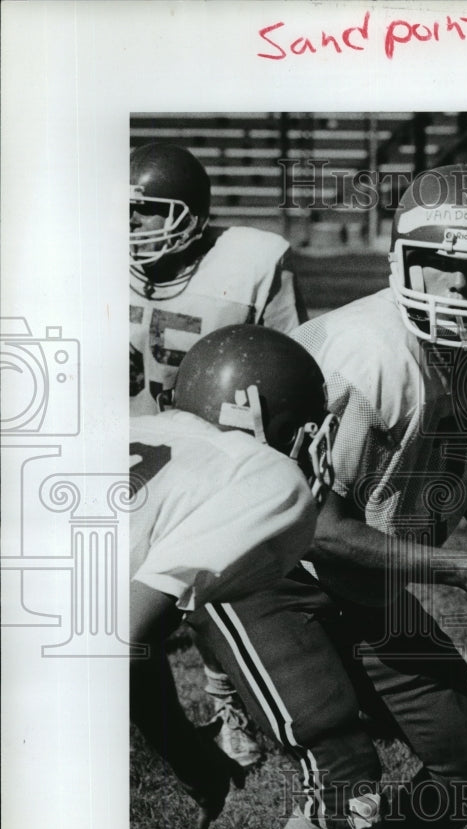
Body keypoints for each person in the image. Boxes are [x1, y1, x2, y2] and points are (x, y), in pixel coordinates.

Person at [186, 163, 467, 829]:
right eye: (441, 268)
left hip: (361, 577)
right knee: (344, 780)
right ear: (401, 262)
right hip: (267, 571)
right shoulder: (366, 354)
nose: (460, 289)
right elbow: (318, 527)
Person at [129, 141, 309, 766]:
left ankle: (230, 700)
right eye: (125, 213)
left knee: (210, 580)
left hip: (212, 452)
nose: (130, 226)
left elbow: (287, 359)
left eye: (147, 212)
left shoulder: (249, 263)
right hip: (128, 446)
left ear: (191, 215)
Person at [129, 324, 339, 829]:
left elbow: (136, 635)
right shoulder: (262, 475)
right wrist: (188, 754)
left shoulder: (124, 428)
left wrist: (189, 760)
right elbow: (118, 641)